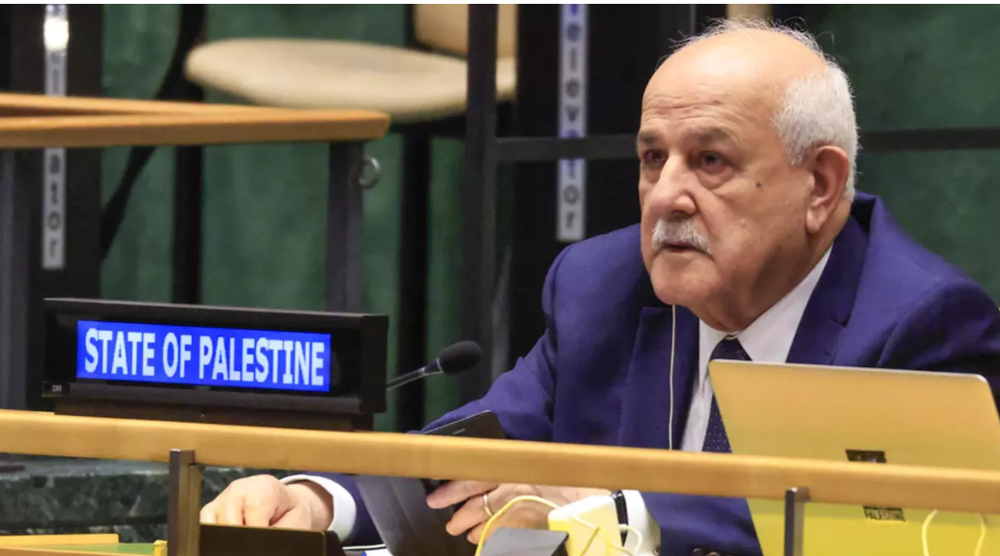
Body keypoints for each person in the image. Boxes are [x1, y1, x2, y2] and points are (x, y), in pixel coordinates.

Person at [200, 19, 1000, 556]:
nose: (666, 196)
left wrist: (621, 511)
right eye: (654, 159)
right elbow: (477, 456)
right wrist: (317, 504)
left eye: (711, 161)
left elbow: (878, 530)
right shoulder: (605, 285)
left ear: (821, 186)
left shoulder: (918, 323)